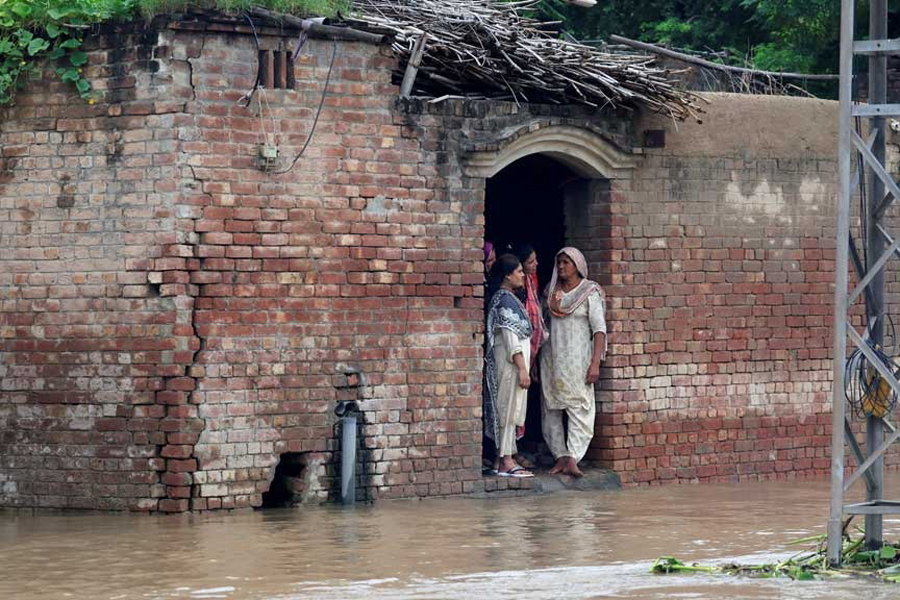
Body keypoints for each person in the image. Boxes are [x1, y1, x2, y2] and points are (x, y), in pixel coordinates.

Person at [540, 247, 607, 478]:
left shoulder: (589, 292)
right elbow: (541, 327)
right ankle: (559, 456)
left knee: (580, 408)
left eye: (566, 262)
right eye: (559, 263)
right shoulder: (550, 292)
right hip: (553, 358)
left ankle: (573, 457)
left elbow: (599, 330)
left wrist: (595, 363)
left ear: (577, 265)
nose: (561, 267)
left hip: (579, 360)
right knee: (551, 407)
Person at [484, 254, 534, 477]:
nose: (523, 276)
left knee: (509, 409)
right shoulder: (504, 300)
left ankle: (500, 459)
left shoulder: (508, 297)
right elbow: (510, 339)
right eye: (520, 272)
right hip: (509, 366)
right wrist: (522, 367)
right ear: (507, 275)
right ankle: (506, 460)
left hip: (512, 365)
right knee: (507, 410)